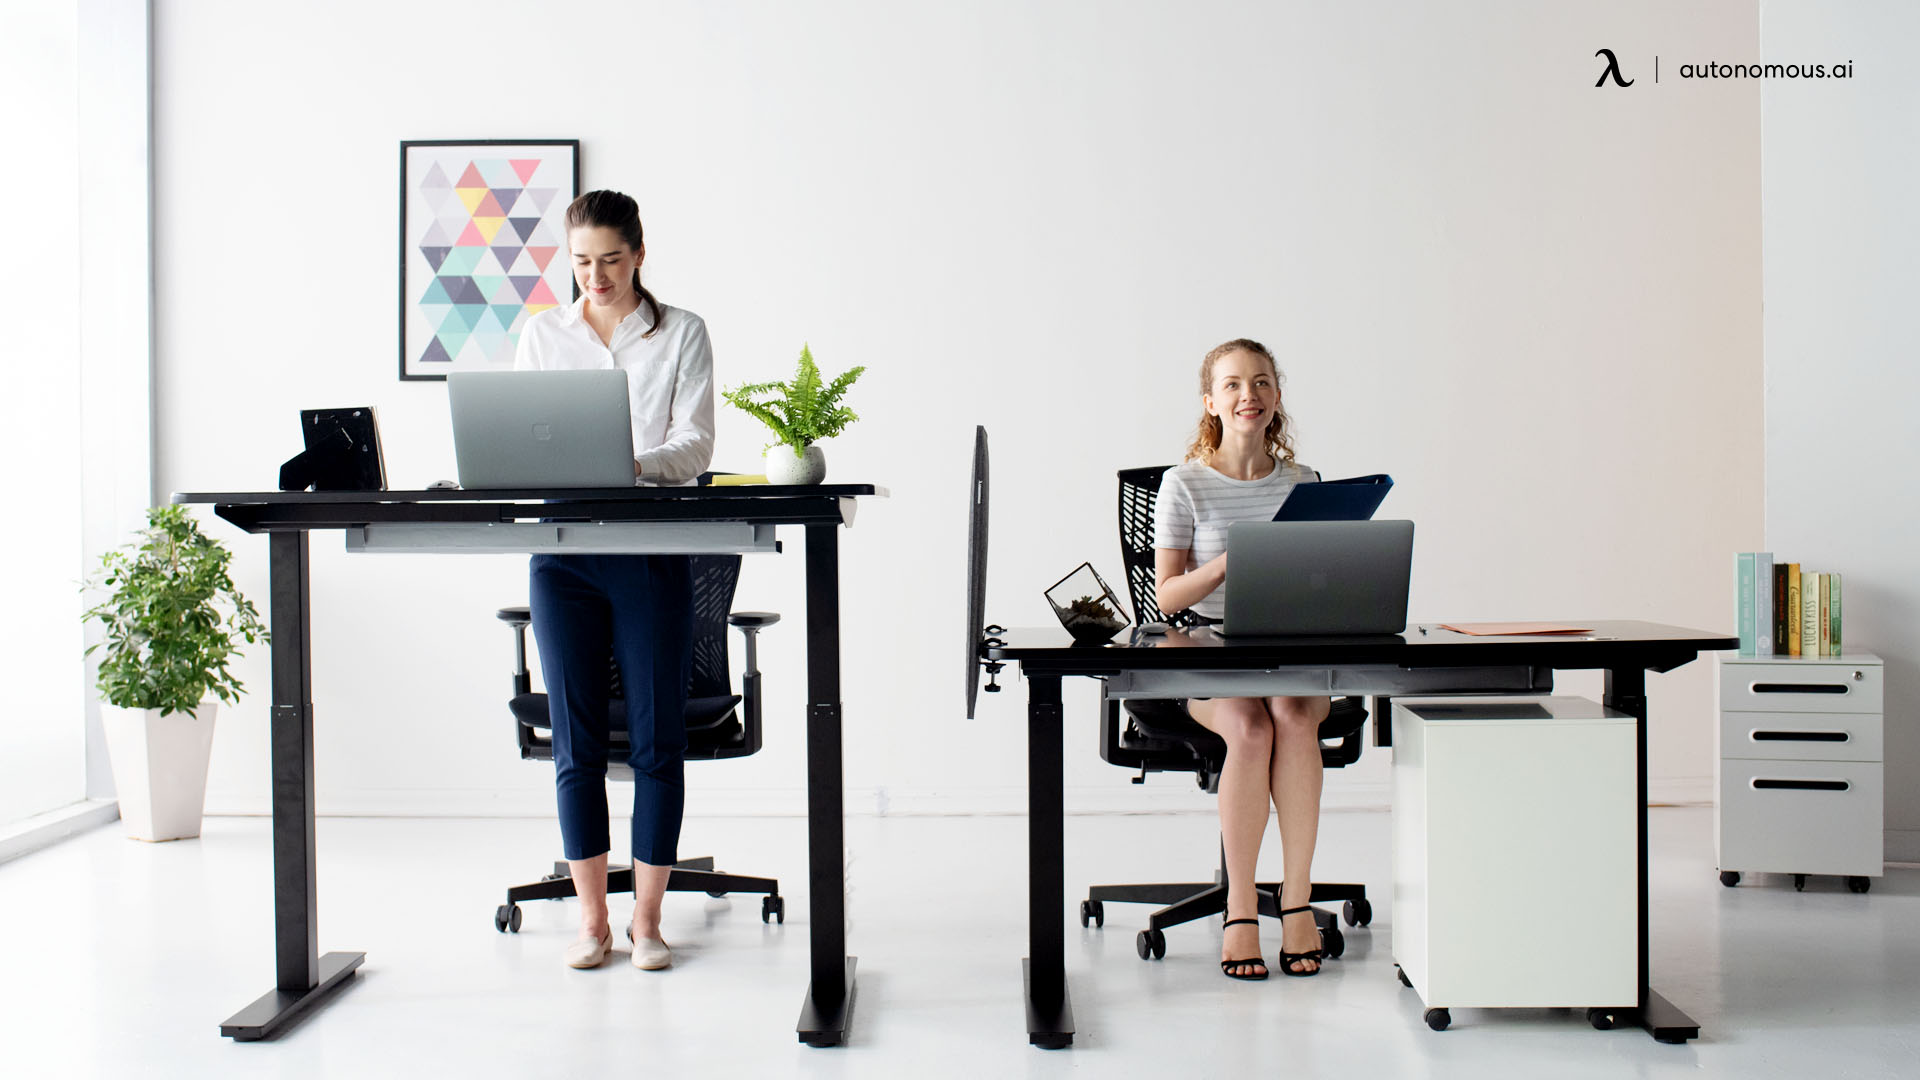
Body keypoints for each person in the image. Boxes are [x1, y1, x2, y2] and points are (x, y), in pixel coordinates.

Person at [513, 189, 715, 971]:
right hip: (562, 554)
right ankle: (593, 921)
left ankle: (649, 923)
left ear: (638, 255)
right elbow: (525, 439)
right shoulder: (544, 335)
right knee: (578, 742)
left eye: (609, 260)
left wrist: (631, 465)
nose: (594, 277)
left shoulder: (681, 333)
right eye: (581, 262)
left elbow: (695, 444)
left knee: (659, 737)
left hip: (650, 547)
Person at [1152, 338, 1331, 980]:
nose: (1246, 394)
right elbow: (1166, 595)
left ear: (1276, 396)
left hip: (1291, 647)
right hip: (1207, 648)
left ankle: (1299, 900)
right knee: (1251, 730)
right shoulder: (1185, 483)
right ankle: (1240, 910)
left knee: (1292, 714)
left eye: (1259, 382)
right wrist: (1235, 559)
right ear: (1211, 402)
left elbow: (1322, 580)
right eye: (1231, 384)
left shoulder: (1304, 484)